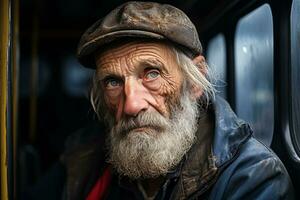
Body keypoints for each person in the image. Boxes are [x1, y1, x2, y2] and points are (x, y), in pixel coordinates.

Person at [24, 1, 294, 200]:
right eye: (113, 82)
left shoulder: (251, 177)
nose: (131, 105)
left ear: (194, 81)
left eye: (152, 73)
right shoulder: (85, 154)